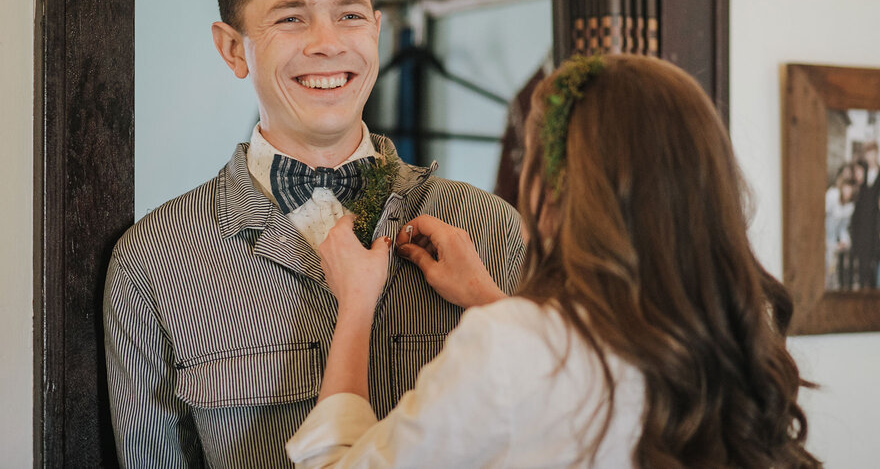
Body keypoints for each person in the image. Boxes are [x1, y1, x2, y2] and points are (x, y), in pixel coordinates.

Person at [103, 0, 524, 467]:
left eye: (348, 15)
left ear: (375, 30)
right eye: (291, 20)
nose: (327, 44)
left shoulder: (492, 231)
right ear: (232, 49)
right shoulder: (155, 260)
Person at [287, 54, 820, 468]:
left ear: (550, 193)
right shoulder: (736, 332)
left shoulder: (509, 346)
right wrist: (486, 298)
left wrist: (355, 304)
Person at [849, 141, 880, 289]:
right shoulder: (863, 174)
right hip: (862, 224)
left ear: (877, 154)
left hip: (875, 224)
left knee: (873, 264)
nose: (870, 157)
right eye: (868, 154)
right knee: (862, 265)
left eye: (873, 153)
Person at [825, 163, 856, 290]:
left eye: (851, 189)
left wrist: (844, 241)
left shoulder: (850, 206)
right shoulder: (832, 195)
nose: (849, 191)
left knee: (831, 272)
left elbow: (843, 227)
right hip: (823, 239)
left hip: (832, 243)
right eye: (847, 187)